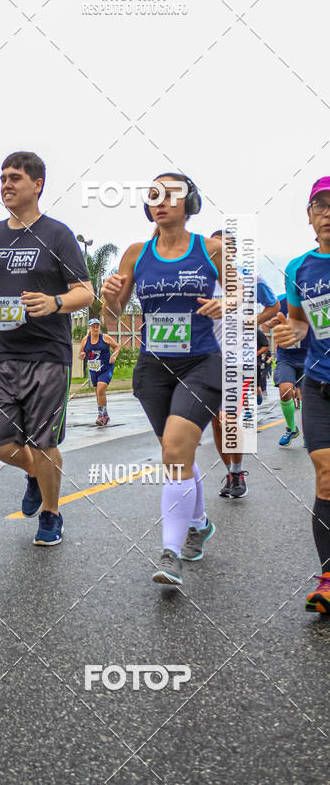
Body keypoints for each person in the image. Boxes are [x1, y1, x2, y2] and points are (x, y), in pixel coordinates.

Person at [101, 173, 226, 587]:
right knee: (178, 456)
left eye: (171, 194)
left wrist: (226, 303)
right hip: (154, 368)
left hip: (201, 364)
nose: (162, 201)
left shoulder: (211, 249)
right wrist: (108, 298)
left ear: (189, 202)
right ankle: (200, 524)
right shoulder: (136, 254)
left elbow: (243, 296)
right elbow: (114, 317)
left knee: (174, 451)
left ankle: (170, 554)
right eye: (154, 194)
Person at [0, 151, 93, 546]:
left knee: (43, 443)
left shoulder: (57, 235)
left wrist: (54, 302)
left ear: (37, 185)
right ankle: (36, 474)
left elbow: (85, 293)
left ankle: (52, 515)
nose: (6, 184)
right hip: (0, 354)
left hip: (47, 356)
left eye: (15, 177)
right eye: (3, 177)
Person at [273, 176, 330, 613]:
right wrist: (279, 329)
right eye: (319, 205)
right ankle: (328, 577)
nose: (327, 212)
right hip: (319, 383)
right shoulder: (298, 269)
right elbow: (299, 325)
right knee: (325, 470)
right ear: (309, 216)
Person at [209, 230, 279, 498]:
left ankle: (237, 473)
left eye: (227, 247)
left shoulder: (250, 278)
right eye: (215, 247)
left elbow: (273, 307)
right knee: (216, 422)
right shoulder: (202, 280)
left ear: (235, 251)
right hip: (209, 360)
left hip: (240, 360)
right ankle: (231, 472)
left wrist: (252, 322)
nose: (221, 251)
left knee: (228, 418)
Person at [271, 293, 310, 446]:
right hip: (286, 356)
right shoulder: (280, 300)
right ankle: (292, 429)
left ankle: (309, 433)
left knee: (306, 397)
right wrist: (272, 322)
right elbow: (269, 321)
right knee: (285, 391)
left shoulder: (313, 297)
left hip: (309, 357)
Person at [79, 319, 120, 425]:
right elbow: (81, 353)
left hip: (106, 369)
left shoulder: (105, 337)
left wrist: (114, 356)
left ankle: (101, 416)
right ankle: (104, 415)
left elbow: (117, 347)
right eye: (93, 326)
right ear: (89, 328)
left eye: (97, 326)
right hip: (93, 370)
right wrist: (82, 355)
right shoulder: (85, 340)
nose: (96, 328)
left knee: (101, 389)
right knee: (98, 393)